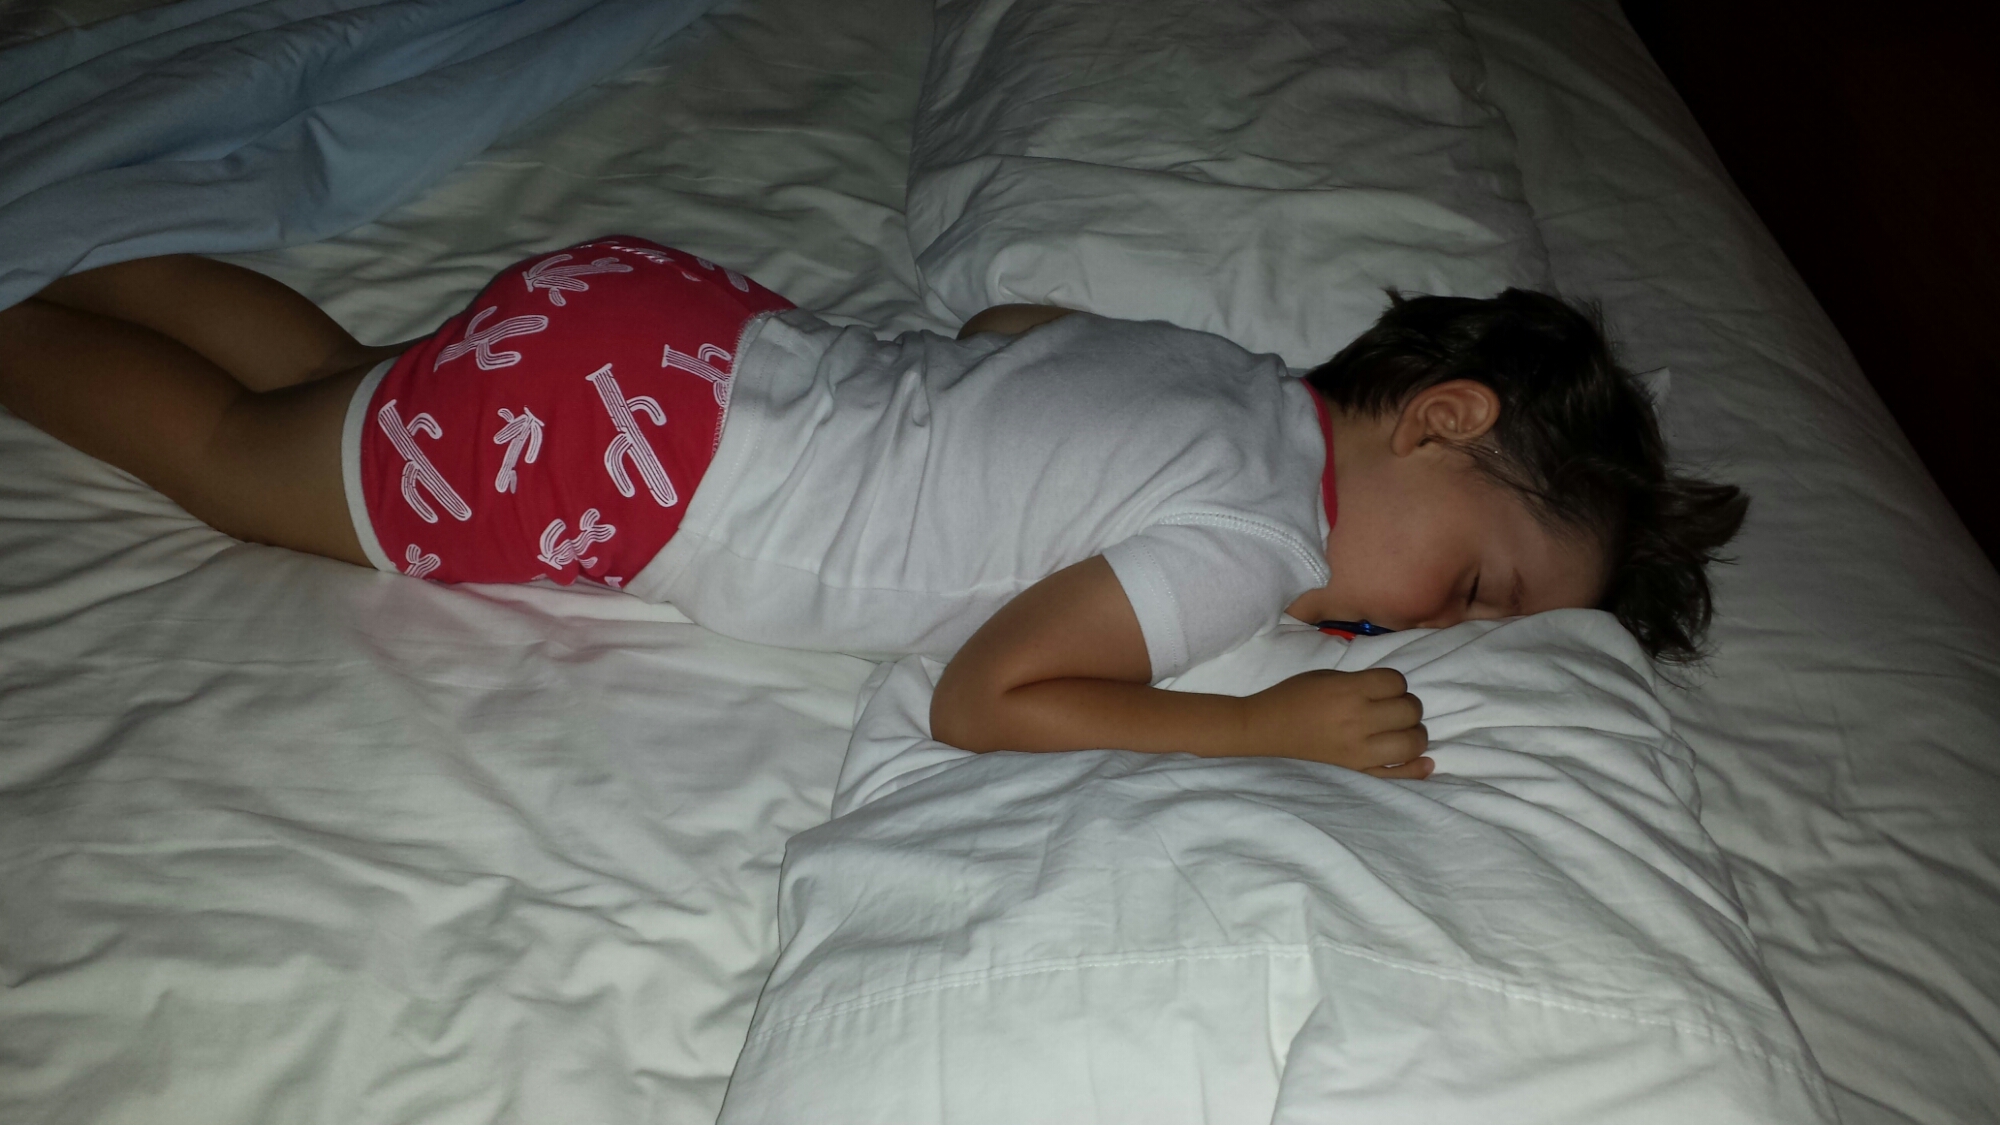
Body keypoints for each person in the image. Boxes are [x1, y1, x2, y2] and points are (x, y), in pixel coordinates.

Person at [0, 236, 1746, 779]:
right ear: (1441, 420)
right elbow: (987, 695)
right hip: (619, 453)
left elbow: (1003, 339)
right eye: (1477, 584)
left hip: (672, 326)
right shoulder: (1255, 540)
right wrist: (1263, 726)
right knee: (234, 457)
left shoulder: (1229, 377)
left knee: (345, 384)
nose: (1443, 626)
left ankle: (75, 237)